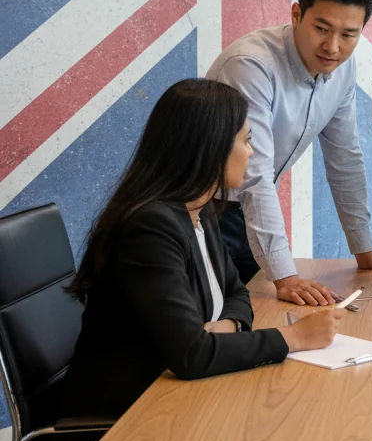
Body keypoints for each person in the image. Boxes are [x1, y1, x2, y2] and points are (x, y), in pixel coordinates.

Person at [60, 79, 346, 420]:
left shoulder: (199, 208)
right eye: (246, 141)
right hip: (126, 421)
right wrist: (292, 337)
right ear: (210, 147)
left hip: (180, 398)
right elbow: (192, 355)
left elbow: (237, 293)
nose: (251, 152)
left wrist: (229, 326)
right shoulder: (149, 228)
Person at [207, 0, 372, 306]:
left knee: (264, 316)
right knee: (220, 324)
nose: (333, 46)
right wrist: (285, 276)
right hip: (205, 214)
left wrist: (364, 251)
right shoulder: (251, 66)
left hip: (249, 214)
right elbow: (254, 175)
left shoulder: (342, 68)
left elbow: (344, 159)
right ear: (296, 14)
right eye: (322, 28)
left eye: (349, 34)